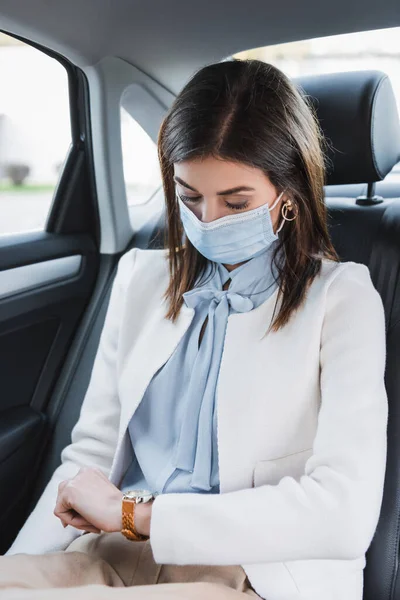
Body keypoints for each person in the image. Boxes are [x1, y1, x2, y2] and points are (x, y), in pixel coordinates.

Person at [0, 58, 388, 600]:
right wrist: (21, 564)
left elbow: (342, 511)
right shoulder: (139, 279)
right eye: (189, 198)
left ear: (289, 193)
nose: (207, 221)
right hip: (111, 553)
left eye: (236, 203)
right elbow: (90, 456)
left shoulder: (343, 299)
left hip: (253, 574)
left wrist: (137, 514)